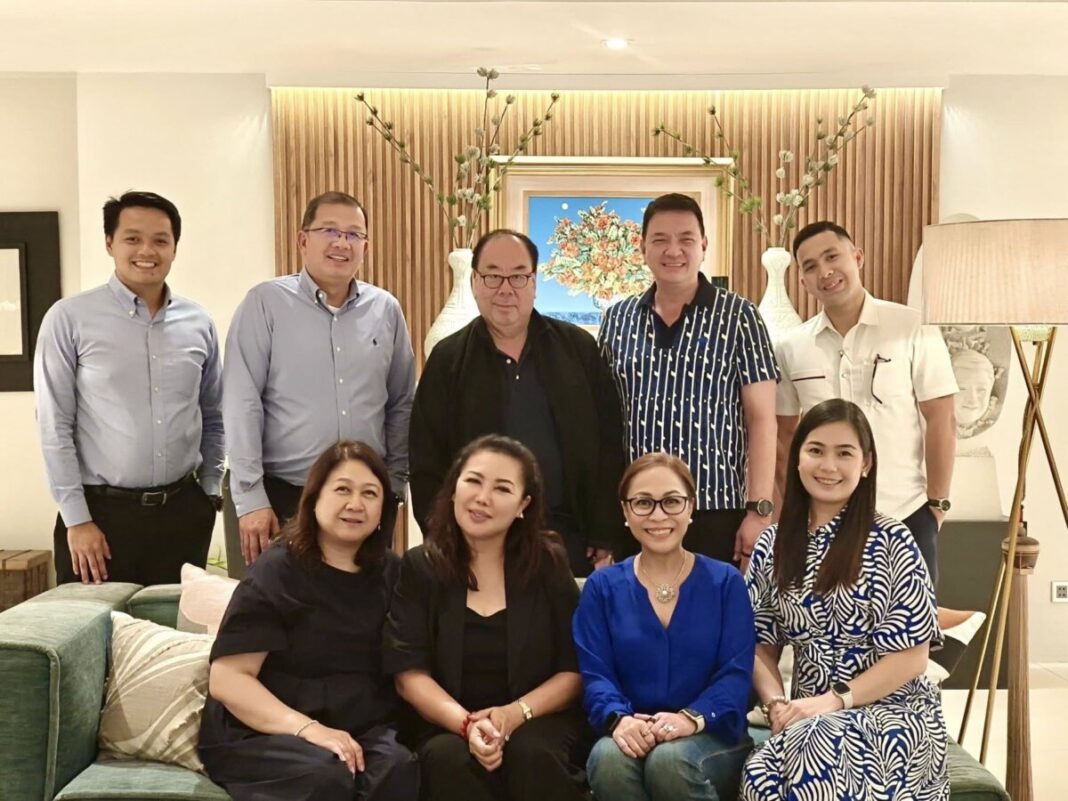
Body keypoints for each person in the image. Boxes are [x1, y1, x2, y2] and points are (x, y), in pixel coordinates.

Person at [742, 399, 948, 800]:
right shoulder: (773, 544)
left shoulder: (892, 540)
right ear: (797, 458)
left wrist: (835, 701)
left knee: (814, 748)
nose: (828, 466)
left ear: (865, 463)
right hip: (806, 714)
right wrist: (776, 703)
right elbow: (758, 645)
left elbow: (912, 657)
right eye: (816, 450)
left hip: (895, 713)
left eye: (844, 453)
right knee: (760, 773)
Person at [199, 441, 418, 801]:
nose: (356, 504)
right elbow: (228, 680)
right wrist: (308, 729)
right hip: (267, 729)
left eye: (370, 493)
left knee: (398, 768)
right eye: (343, 489)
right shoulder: (277, 570)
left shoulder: (392, 573)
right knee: (325, 775)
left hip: (360, 724)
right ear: (314, 498)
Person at [385, 434, 591, 801]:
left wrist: (515, 714)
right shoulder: (421, 566)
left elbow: (574, 669)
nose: (483, 497)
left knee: (532, 754)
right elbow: (408, 673)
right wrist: (466, 725)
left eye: (502, 488)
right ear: (454, 488)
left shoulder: (548, 563)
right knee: (447, 759)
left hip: (536, 719)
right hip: (446, 723)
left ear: (523, 504)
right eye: (474, 481)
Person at [410, 229, 625, 576]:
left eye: (518, 276)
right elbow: (426, 459)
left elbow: (610, 442)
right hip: (477, 541)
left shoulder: (578, 349)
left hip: (569, 538)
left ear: (534, 282)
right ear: (475, 282)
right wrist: (442, 540)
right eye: (493, 276)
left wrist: (605, 532)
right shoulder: (448, 359)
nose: (505, 289)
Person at [34, 191, 223, 585]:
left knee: (175, 624)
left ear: (174, 247)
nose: (147, 251)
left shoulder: (198, 322)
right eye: (132, 239)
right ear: (110, 243)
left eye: (160, 240)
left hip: (182, 514)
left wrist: (208, 494)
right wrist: (77, 519)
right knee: (93, 624)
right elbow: (55, 426)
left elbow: (214, 415)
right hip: (100, 518)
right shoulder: (69, 319)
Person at [224, 191, 416, 566]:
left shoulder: (386, 310)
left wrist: (393, 487)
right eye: (329, 230)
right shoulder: (265, 304)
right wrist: (250, 498)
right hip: (283, 497)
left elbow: (401, 404)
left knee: (363, 600)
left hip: (363, 503)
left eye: (353, 234)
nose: (342, 243)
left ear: (365, 246)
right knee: (278, 600)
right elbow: (241, 403)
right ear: (303, 239)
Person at [599, 193, 779, 570]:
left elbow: (762, 419)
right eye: (660, 239)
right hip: (638, 508)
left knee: (709, 607)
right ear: (642, 247)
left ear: (703, 246)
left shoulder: (740, 316)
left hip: (715, 508)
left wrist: (759, 511)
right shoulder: (617, 319)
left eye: (686, 239)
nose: (673, 250)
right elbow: (603, 422)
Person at [774, 221, 957, 589]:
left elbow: (942, 418)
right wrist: (786, 515)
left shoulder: (911, 326)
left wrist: (937, 504)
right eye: (810, 266)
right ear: (803, 282)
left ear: (857, 257)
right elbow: (783, 436)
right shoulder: (791, 347)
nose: (825, 272)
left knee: (911, 623)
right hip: (822, 518)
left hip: (904, 511)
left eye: (832, 257)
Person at [574, 452, 754, 801]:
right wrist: (620, 720)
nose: (658, 515)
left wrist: (690, 718)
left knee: (668, 761)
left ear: (691, 507)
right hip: (632, 728)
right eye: (643, 503)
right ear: (625, 511)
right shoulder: (602, 587)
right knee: (608, 758)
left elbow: (736, 674)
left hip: (710, 734)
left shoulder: (726, 582)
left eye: (671, 501)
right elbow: (595, 675)